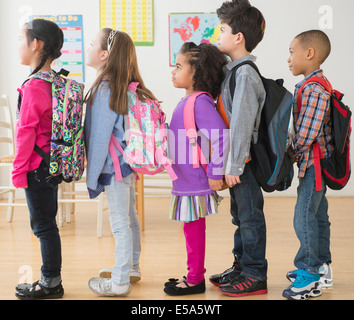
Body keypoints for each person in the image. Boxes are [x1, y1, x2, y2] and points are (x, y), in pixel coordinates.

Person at [84, 29, 157, 297]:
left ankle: (119, 282)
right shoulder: (119, 84)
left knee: (119, 224)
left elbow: (100, 137)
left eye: (92, 44)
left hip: (113, 167)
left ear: (104, 55)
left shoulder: (105, 88)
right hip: (125, 165)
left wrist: (92, 178)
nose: (88, 47)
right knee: (129, 219)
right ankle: (131, 268)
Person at [209, 0, 268, 297]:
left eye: (222, 29)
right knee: (240, 215)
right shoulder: (233, 71)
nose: (217, 35)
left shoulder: (245, 73)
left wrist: (234, 166)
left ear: (238, 37)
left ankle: (255, 273)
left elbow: (242, 123)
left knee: (250, 216)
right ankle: (241, 265)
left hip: (243, 162)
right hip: (237, 161)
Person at [163, 42, 229, 296]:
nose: (173, 71)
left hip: (195, 180)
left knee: (193, 230)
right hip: (185, 180)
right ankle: (193, 275)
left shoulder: (199, 102)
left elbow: (220, 135)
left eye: (179, 66)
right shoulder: (188, 100)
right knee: (191, 230)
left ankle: (194, 280)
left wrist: (215, 173)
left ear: (196, 73)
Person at [13, 19, 65, 300]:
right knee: (48, 223)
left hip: (35, 167)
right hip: (52, 163)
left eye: (21, 39)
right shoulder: (55, 81)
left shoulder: (34, 86)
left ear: (36, 45)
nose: (18, 45)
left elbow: (25, 134)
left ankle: (50, 283)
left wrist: (17, 171)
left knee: (43, 226)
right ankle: (51, 278)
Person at [283, 30, 333, 300]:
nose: (289, 58)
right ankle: (322, 267)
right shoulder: (315, 84)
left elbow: (306, 135)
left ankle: (309, 274)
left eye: (292, 52)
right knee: (317, 216)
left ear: (309, 53)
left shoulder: (313, 89)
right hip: (317, 164)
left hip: (313, 166)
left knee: (303, 218)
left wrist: (288, 153)